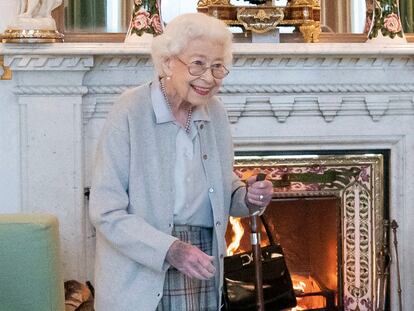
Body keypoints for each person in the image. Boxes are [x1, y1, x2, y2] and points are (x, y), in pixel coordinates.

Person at [88, 12, 273, 311]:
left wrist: (248, 197)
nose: (208, 78)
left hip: (201, 261)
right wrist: (171, 249)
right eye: (198, 64)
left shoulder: (216, 114)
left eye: (217, 67)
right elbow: (105, 211)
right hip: (144, 268)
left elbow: (223, 188)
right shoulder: (129, 111)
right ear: (167, 62)